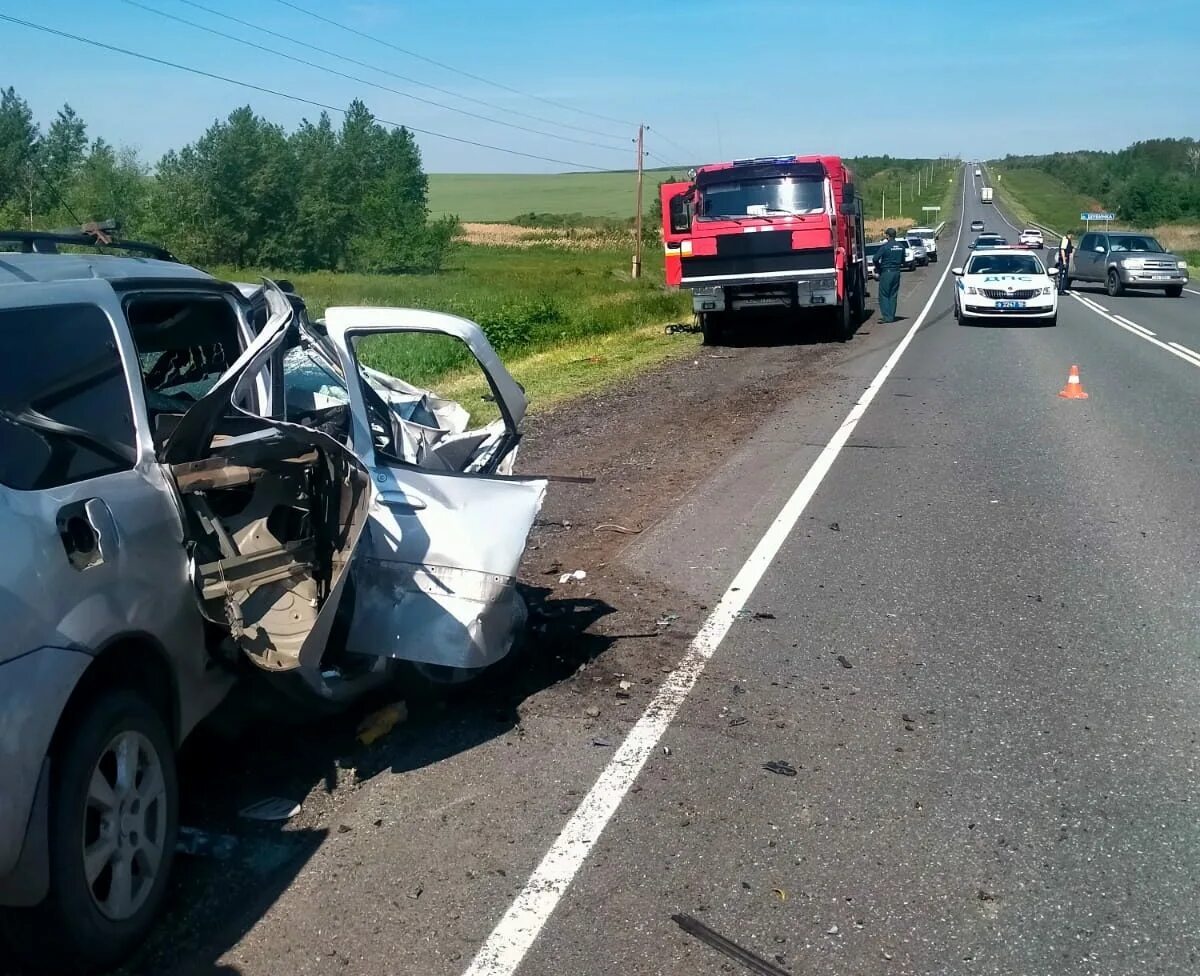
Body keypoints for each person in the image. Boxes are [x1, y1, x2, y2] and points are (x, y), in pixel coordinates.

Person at [873, 227, 907, 322]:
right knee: (893, 294)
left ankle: (887, 317)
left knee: (884, 295)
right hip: (896, 272)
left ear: (887, 236)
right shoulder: (901, 246)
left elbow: (875, 259)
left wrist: (879, 269)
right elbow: (903, 261)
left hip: (887, 272)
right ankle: (891, 315)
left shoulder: (885, 247)